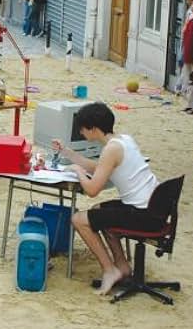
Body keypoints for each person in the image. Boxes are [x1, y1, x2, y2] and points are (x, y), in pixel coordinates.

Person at [57, 103, 161, 295]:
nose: (81, 132)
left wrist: (79, 173)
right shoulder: (123, 140)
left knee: (78, 219)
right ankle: (122, 266)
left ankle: (109, 270)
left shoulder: (110, 150)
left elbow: (92, 190)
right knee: (98, 210)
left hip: (143, 215)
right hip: (155, 208)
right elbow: (100, 167)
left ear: (93, 129)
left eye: (82, 128)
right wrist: (69, 154)